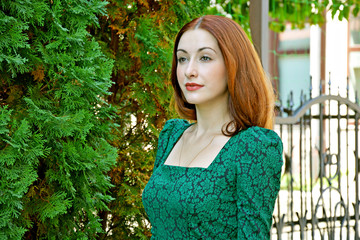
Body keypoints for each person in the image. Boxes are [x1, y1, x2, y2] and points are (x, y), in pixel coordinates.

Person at [142, 15, 283, 239]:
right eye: (182, 59)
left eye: (205, 58)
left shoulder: (253, 146)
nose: (189, 70)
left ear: (233, 64)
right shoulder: (172, 135)